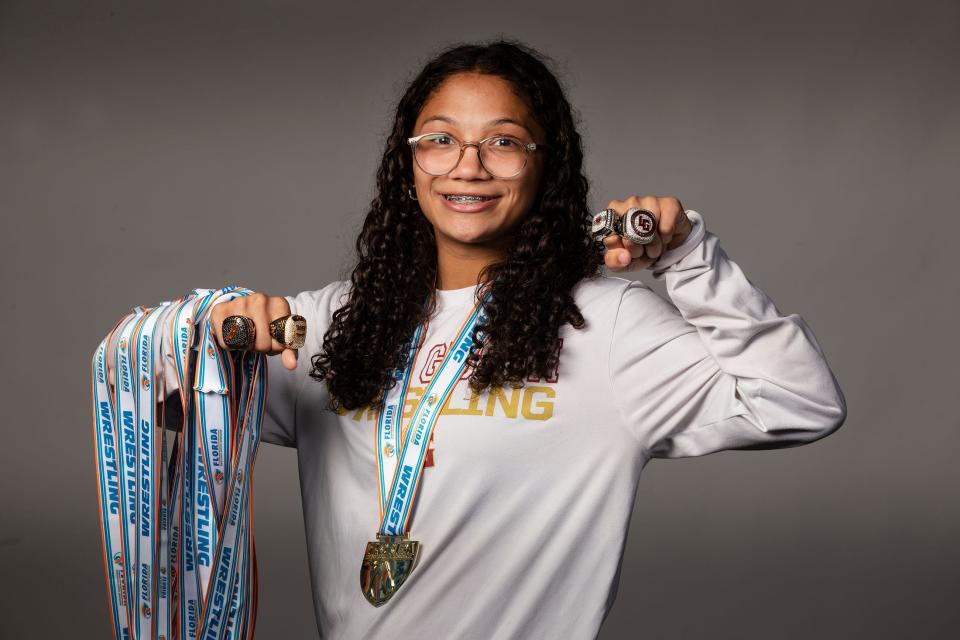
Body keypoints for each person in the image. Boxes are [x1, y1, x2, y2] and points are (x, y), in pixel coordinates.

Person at [108, 39, 846, 639]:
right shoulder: (335, 320)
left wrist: (688, 258)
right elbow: (152, 403)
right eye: (440, 140)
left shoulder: (607, 324)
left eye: (503, 140)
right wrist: (200, 327)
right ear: (409, 163)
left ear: (544, 163)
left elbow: (800, 402)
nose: (468, 164)